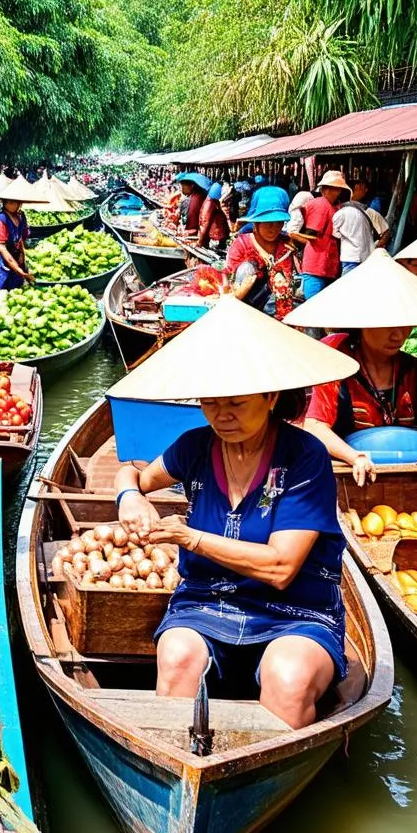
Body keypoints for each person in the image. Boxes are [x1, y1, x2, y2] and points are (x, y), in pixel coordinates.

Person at [108, 296, 360, 728]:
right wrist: (129, 497)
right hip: (207, 603)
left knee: (290, 679)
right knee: (176, 657)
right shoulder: (194, 446)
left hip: (294, 613)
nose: (221, 416)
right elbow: (131, 473)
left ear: (270, 396)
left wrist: (191, 538)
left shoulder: (304, 456)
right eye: (210, 402)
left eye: (237, 403)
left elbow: (282, 567)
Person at [283, 252, 417, 485]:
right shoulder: (339, 366)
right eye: (386, 325)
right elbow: (315, 426)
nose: (398, 334)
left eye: (405, 323)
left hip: (410, 482)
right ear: (362, 323)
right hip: (349, 479)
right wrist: (354, 457)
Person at [225, 187, 298, 320]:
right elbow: (227, 287)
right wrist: (241, 292)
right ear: (256, 223)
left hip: (281, 314)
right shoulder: (241, 245)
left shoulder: (287, 245)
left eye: (278, 222)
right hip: (246, 315)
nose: (273, 228)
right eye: (268, 223)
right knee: (247, 268)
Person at [297, 171, 349, 300]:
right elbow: (310, 233)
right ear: (324, 189)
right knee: (312, 304)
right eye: (332, 189)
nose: (335, 192)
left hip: (329, 263)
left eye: (337, 189)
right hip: (316, 262)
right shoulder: (319, 204)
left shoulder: (337, 207)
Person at [334, 179, 388, 274]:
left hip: (353, 258)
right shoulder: (339, 211)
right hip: (355, 258)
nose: (365, 191)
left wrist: (376, 246)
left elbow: (385, 232)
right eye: (360, 188)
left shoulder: (369, 212)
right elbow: (386, 231)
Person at [0, 180, 35, 290]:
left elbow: (21, 239)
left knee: (20, 288)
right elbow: (1, 248)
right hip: (6, 262)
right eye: (9, 202)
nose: (13, 205)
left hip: (18, 258)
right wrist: (18, 269)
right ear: (4, 203)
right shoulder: (1, 220)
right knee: (5, 289)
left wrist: (23, 259)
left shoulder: (20, 216)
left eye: (15, 201)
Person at [196, 181, 230, 253]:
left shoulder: (211, 202)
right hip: (219, 235)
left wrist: (200, 240)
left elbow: (204, 221)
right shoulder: (212, 202)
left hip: (215, 235)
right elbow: (205, 221)